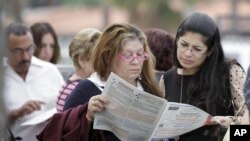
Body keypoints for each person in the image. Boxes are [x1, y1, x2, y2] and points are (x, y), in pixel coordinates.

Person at [37, 23, 163, 141]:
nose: (136, 61)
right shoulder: (87, 89)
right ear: (108, 57)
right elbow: (62, 132)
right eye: (128, 55)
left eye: (140, 54)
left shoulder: (149, 88)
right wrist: (87, 116)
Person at [159, 12, 249, 141]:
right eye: (184, 44)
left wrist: (229, 124)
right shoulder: (167, 79)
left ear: (210, 51)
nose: (188, 53)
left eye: (197, 49)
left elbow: (246, 129)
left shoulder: (230, 72)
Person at [3, 23, 64, 141]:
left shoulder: (50, 70)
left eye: (29, 49)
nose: (25, 57)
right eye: (18, 51)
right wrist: (16, 114)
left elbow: (67, 106)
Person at [56, 28, 101, 112]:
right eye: (98, 58)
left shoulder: (69, 84)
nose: (103, 63)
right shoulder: (79, 90)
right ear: (82, 60)